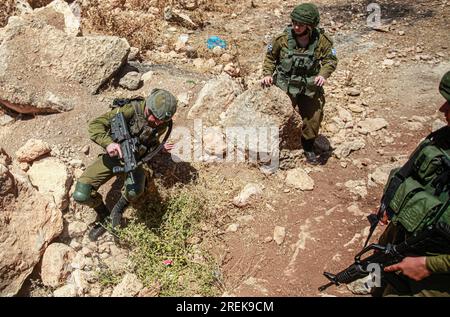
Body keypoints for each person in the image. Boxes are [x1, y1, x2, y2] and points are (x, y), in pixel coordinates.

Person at [376, 71, 450, 297]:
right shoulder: (443, 139)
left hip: (437, 264)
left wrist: (428, 266)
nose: (442, 110)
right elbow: (409, 172)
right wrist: (389, 203)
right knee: (379, 268)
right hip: (409, 237)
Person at [72, 89, 177, 241]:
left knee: (135, 191)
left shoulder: (162, 122)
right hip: (114, 157)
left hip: (137, 161)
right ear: (148, 108)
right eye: (156, 119)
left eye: (162, 121)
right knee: (82, 194)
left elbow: (149, 139)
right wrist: (109, 144)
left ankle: (118, 209)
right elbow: (95, 125)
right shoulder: (130, 110)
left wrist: (159, 148)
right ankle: (104, 215)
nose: (158, 123)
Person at [261, 3, 338, 164]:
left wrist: (323, 75)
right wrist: (267, 74)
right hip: (285, 84)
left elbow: (330, 60)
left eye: (301, 25)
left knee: (314, 116)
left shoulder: (322, 41)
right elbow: (270, 57)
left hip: (309, 86)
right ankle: (274, 145)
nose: (296, 27)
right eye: (294, 22)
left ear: (310, 26)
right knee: (278, 116)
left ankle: (308, 146)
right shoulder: (281, 39)